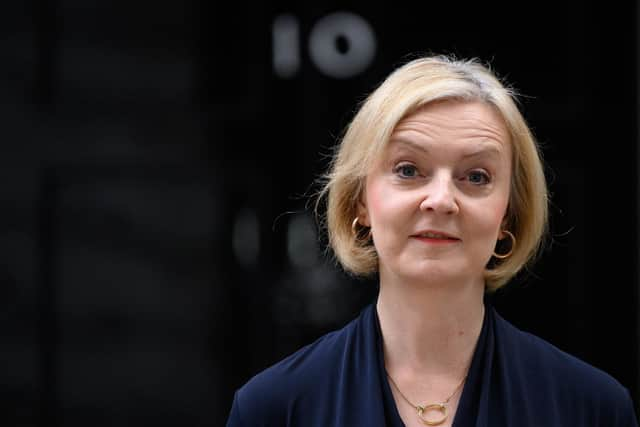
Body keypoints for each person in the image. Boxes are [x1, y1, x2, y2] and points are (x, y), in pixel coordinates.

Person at [225, 54, 639, 426]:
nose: (441, 200)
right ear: (360, 202)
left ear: (508, 215)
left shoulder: (592, 409)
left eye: (476, 177)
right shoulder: (274, 408)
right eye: (408, 169)